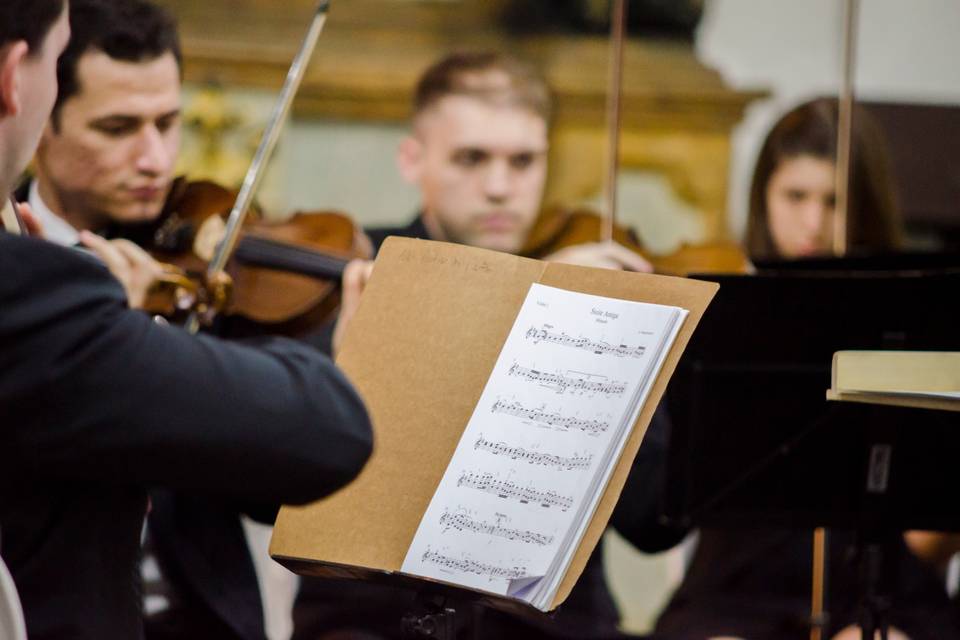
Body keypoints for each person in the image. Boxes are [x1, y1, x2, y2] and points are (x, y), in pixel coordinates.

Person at [0, 2, 374, 639]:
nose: (154, 160)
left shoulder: (213, 276)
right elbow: (326, 426)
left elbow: (274, 480)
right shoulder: (31, 284)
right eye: (117, 128)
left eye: (168, 123)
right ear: (38, 111)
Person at [293, 51, 680, 640]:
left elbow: (654, 523)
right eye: (471, 159)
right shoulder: (357, 275)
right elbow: (282, 484)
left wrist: (600, 330)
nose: (500, 188)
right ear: (412, 158)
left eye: (523, 162)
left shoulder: (590, 296)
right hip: (368, 625)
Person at [653, 98, 956, 640]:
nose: (813, 223)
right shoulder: (726, 304)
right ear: (763, 195)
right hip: (736, 589)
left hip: (876, 583)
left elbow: (930, 533)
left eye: (835, 201)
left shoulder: (917, 315)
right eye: (795, 197)